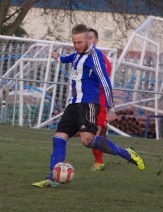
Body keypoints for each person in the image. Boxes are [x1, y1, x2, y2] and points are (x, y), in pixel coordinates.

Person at [31, 24, 145, 188]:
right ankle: (53, 178)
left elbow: (105, 82)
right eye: (74, 42)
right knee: (58, 138)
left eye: (79, 42)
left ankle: (126, 153)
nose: (76, 46)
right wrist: (57, 57)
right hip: (73, 104)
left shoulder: (95, 56)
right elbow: (66, 58)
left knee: (87, 140)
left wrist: (110, 107)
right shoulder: (76, 54)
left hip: (89, 104)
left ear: (87, 40)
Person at [87, 28, 112, 171]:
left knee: (92, 135)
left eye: (91, 38)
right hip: (83, 102)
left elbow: (103, 80)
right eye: (86, 38)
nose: (88, 40)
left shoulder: (102, 59)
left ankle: (99, 161)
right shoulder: (80, 57)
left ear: (96, 40)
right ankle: (103, 134)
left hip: (98, 101)